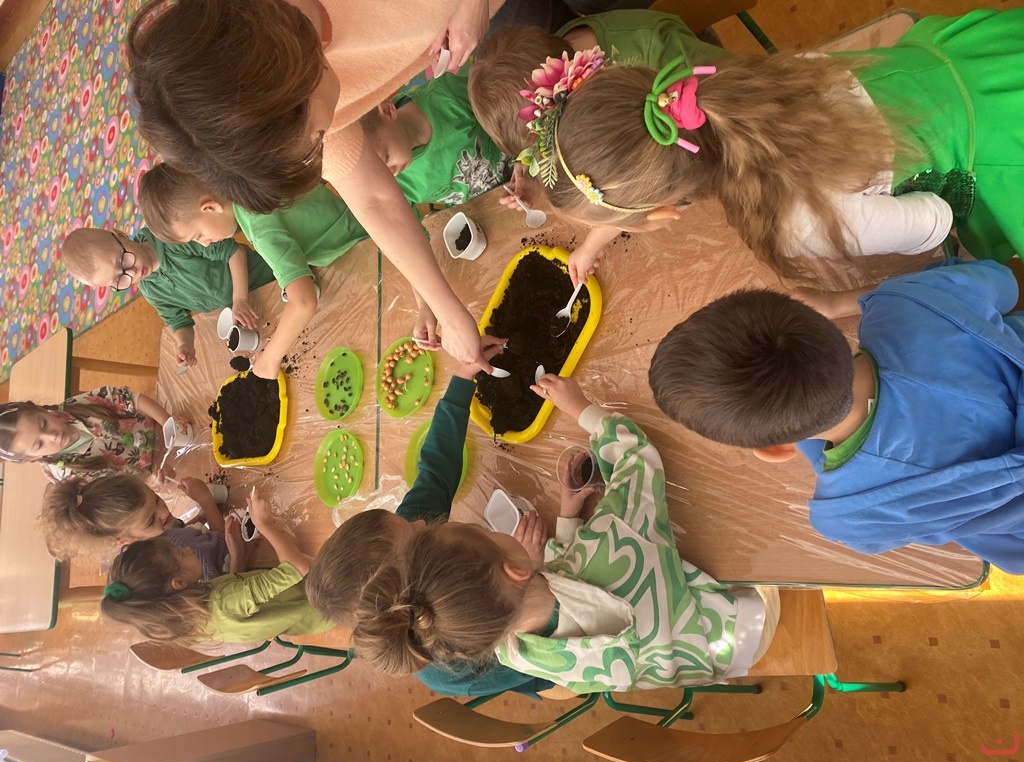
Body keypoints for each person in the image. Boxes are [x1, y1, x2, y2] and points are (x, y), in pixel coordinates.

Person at [517, 9, 1024, 284]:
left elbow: (934, 218)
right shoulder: (751, 88)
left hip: (1005, 158)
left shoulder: (798, 224)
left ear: (666, 213)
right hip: (983, 57)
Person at [126, 0, 502, 368]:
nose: (323, 140)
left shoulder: (307, 84)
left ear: (293, 82)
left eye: (315, 137)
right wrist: (449, 314)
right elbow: (374, 199)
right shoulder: (301, 91)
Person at [351, 375, 777, 691]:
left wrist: (569, 517)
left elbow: (570, 592)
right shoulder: (610, 544)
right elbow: (638, 458)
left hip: (695, 665)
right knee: (765, 548)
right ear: (516, 568)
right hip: (739, 626)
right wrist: (580, 407)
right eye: (482, 531)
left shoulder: (514, 653)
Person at [648, 258, 1024, 573]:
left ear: (776, 450)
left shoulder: (850, 513)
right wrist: (849, 299)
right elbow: (1005, 282)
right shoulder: (911, 302)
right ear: (819, 322)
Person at [306, 338, 553, 696]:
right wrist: (533, 568)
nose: (420, 521)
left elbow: (435, 472)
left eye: (403, 519)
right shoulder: (452, 659)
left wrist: (463, 379)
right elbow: (541, 650)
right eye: (412, 531)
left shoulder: (408, 540)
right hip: (549, 658)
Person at [468, 15, 732, 285]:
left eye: (547, 151)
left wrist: (593, 243)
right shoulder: (557, 65)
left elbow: (630, 188)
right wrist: (532, 173)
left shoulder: (660, 59)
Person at [137, 164, 368, 379]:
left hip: (359, 248)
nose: (205, 244)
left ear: (210, 208)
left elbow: (304, 302)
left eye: (198, 236)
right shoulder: (242, 182)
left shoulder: (258, 228)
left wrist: (269, 358)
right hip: (354, 222)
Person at [101, 487, 332, 642]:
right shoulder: (222, 601)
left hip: (308, 607)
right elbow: (298, 568)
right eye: (180, 553)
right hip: (326, 595)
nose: (187, 548)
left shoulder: (186, 615)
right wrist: (264, 524)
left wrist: (237, 561)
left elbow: (239, 606)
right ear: (178, 582)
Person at [60, 227, 274, 371]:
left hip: (268, 276)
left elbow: (235, 252)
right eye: (119, 280)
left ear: (120, 235)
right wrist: (185, 344)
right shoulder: (149, 288)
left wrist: (239, 298)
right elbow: (178, 321)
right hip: (248, 309)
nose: (132, 273)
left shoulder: (171, 238)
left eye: (123, 261)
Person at [359, 71, 511, 207]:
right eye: (381, 173)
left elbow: (512, 107)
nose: (392, 174)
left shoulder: (447, 95)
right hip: (493, 211)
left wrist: (522, 163)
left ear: (387, 111)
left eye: (387, 157)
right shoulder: (394, 182)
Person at [0, 386, 178, 482]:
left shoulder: (75, 407)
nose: (52, 436)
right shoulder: (68, 476)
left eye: (43, 424)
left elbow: (129, 398)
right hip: (163, 473)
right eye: (39, 444)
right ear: (32, 458)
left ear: (41, 409)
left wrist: (167, 422)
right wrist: (154, 480)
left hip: (162, 427)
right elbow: (123, 493)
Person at [41, 472, 226, 558]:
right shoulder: (167, 557)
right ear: (123, 540)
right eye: (150, 520)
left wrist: (201, 517)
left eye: (156, 499)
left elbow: (178, 530)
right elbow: (223, 550)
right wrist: (206, 500)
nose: (164, 511)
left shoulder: (148, 534)